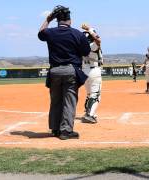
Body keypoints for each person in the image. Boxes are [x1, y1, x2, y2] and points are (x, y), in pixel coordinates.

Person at [38, 5, 91, 140]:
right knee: (69, 101)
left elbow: (40, 33)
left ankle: (55, 129)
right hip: (70, 70)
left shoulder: (51, 32)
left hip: (54, 70)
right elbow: (86, 52)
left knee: (55, 101)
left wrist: (47, 19)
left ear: (57, 20)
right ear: (70, 20)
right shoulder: (77, 34)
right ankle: (66, 131)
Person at [81, 23, 103, 124]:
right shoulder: (92, 45)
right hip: (94, 71)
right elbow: (98, 40)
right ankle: (89, 115)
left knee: (90, 94)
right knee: (96, 95)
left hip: (84, 72)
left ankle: (89, 112)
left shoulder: (80, 47)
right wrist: (90, 29)